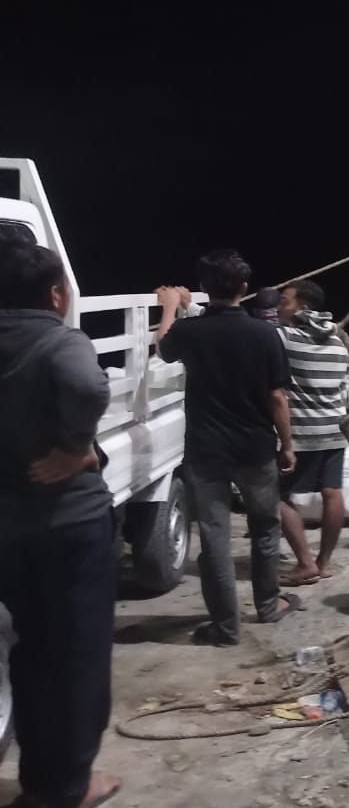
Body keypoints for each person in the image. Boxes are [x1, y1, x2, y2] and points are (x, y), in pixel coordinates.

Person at [0, 242, 121, 808]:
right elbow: (88, 386)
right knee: (79, 655)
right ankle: (71, 785)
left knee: (31, 651)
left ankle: (38, 780)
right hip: (69, 525)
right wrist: (75, 449)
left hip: (9, 532)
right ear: (54, 294)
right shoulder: (59, 340)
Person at [156, 250, 302, 646]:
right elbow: (277, 397)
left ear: (205, 287)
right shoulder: (264, 334)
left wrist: (171, 307)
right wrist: (287, 445)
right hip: (255, 447)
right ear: (244, 288)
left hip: (206, 451)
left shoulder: (191, 332)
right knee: (265, 527)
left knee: (215, 536)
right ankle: (268, 605)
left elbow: (163, 348)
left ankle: (225, 627)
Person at [275, 278, 349, 586]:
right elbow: (345, 386)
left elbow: (240, 334)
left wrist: (191, 309)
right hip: (336, 428)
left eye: (284, 302)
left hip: (303, 433)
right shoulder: (338, 342)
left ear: (302, 307)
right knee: (332, 492)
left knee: (275, 496)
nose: (278, 308)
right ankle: (324, 562)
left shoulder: (285, 337)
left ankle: (305, 563)